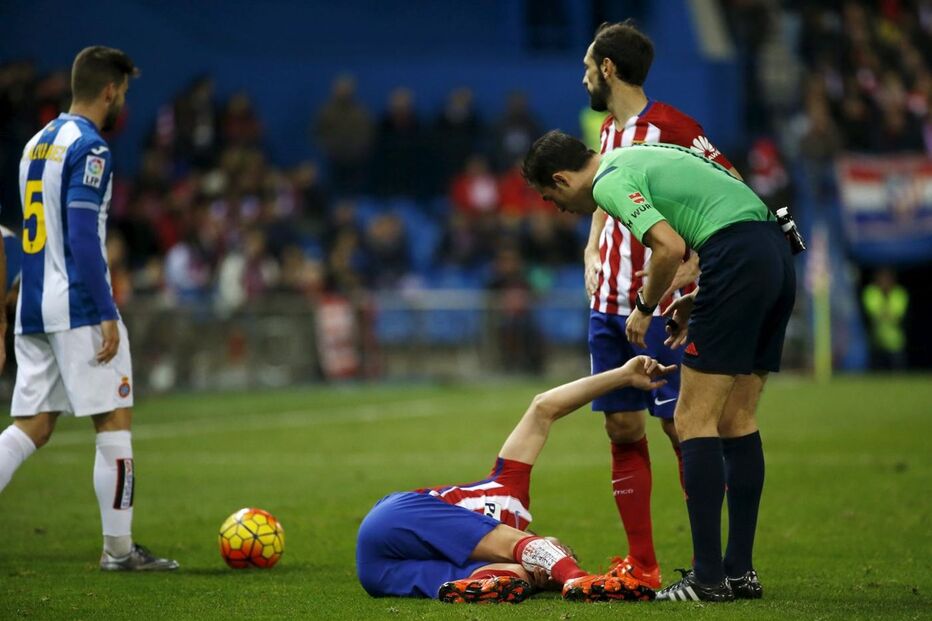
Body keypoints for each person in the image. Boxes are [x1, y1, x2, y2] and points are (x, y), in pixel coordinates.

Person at [523, 131, 796, 602]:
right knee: (737, 419)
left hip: (735, 256)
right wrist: (698, 297)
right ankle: (739, 571)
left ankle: (708, 578)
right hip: (774, 251)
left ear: (561, 178)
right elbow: (726, 206)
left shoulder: (610, 180)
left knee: (693, 420)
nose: (560, 209)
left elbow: (667, 247)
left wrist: (646, 307)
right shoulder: (638, 154)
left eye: (552, 197)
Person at [578, 20, 741, 592]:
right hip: (608, 305)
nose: (583, 77)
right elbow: (605, 194)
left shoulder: (672, 127)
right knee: (622, 428)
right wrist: (594, 244)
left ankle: (715, 564)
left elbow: (732, 184)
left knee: (681, 428)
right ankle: (642, 565)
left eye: (587, 66)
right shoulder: (606, 132)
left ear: (608, 69)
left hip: (660, 305)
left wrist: (695, 264)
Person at [0, 46, 178, 571]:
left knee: (31, 426)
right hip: (77, 305)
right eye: (122, 92)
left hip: (32, 304)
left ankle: (119, 549)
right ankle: (119, 551)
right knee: (114, 420)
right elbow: (80, 231)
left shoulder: (36, 143)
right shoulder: (92, 148)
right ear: (108, 90)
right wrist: (105, 309)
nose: (122, 101)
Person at [356, 356, 675, 604]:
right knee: (523, 551)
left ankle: (493, 588)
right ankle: (578, 578)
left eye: (557, 565)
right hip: (399, 516)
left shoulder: (515, 561)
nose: (558, 555)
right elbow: (543, 407)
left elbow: (525, 562)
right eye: (562, 551)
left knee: (510, 578)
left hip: (378, 572)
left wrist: (530, 579)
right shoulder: (511, 488)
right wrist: (622, 376)